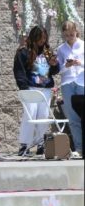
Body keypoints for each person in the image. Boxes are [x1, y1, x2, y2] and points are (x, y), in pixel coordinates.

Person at [13, 25, 60, 156]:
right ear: (34, 37)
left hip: (45, 89)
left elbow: (55, 71)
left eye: (45, 38)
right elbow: (19, 71)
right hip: (30, 88)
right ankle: (24, 145)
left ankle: (41, 145)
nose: (42, 41)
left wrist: (55, 65)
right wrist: (24, 88)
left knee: (43, 116)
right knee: (30, 115)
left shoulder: (47, 51)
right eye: (40, 38)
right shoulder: (24, 51)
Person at [57, 21, 84, 157]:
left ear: (76, 31)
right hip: (67, 84)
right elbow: (58, 70)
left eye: (72, 34)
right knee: (73, 118)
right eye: (66, 35)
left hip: (82, 83)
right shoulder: (61, 49)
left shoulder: (83, 45)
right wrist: (66, 66)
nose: (70, 37)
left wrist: (80, 63)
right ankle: (79, 149)